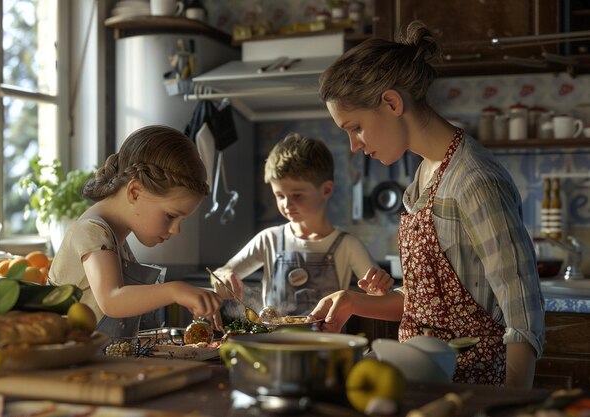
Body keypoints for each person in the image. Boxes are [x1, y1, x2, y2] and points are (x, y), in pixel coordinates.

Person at [309, 21, 545, 388]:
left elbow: (523, 310)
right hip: (427, 380)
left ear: (391, 102)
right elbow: (430, 303)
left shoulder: (474, 180)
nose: (355, 145)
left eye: (354, 127)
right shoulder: (424, 176)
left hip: (472, 387)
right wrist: (354, 301)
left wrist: (508, 402)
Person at [48, 125, 223, 337]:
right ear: (135, 192)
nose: (176, 229)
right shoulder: (90, 232)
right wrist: (175, 290)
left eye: (182, 220)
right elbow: (112, 299)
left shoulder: (115, 240)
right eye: (170, 215)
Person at [211, 133, 393, 317]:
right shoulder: (269, 240)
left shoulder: (348, 246)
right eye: (279, 196)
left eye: (297, 195)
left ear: (326, 190)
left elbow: (379, 297)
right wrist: (223, 277)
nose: (286, 204)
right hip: (273, 345)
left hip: (328, 344)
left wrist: (377, 289)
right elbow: (219, 274)